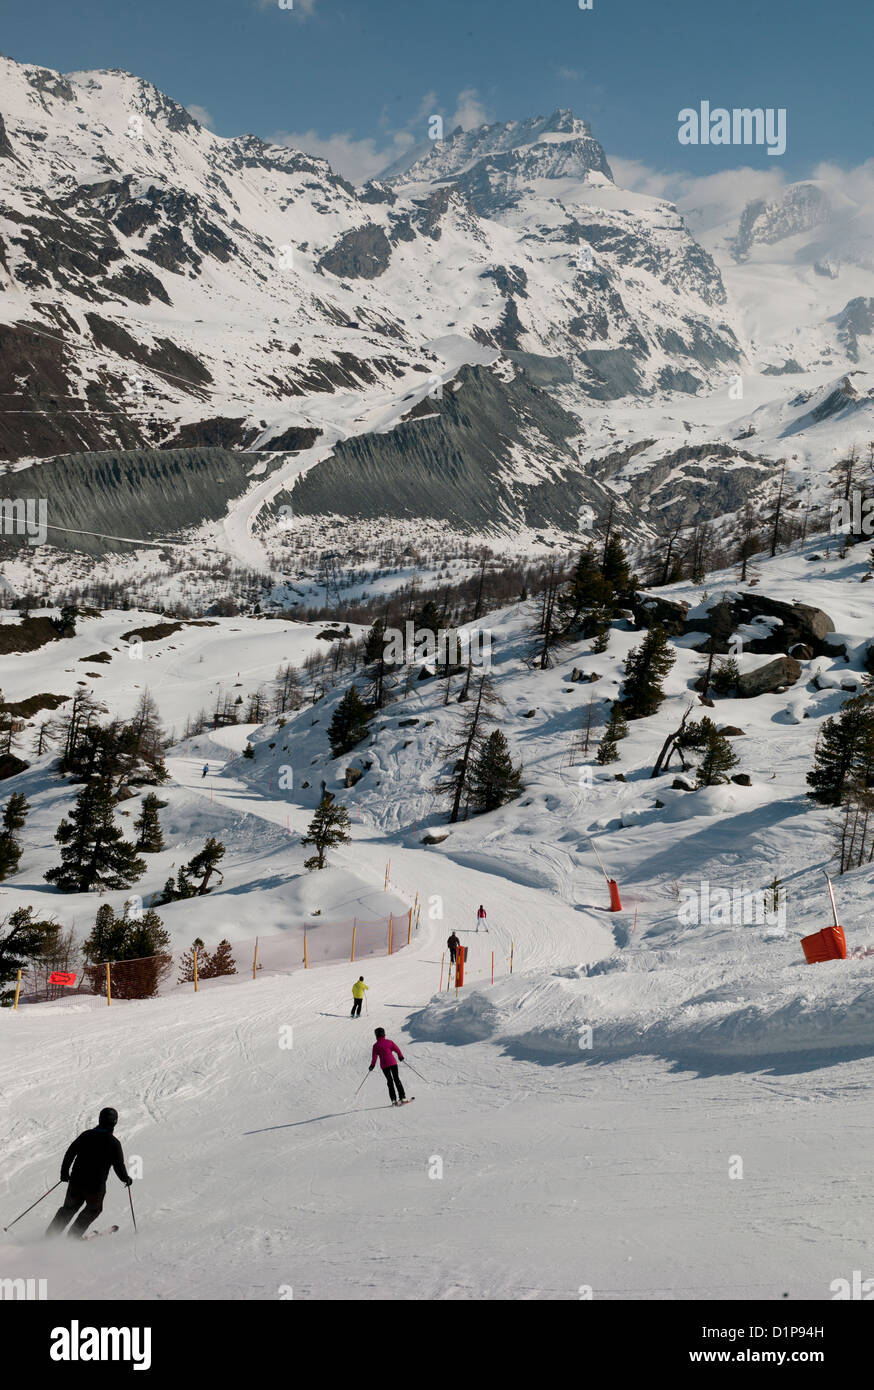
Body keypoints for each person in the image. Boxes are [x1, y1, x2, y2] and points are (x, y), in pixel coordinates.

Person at [46, 1107, 132, 1239]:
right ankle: (73, 1237)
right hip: (95, 1187)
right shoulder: (114, 1143)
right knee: (93, 1209)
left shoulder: (86, 1135)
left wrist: (64, 1172)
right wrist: (125, 1178)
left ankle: (50, 1236)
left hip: (76, 1182)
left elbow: (70, 1153)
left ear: (100, 1119)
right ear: (115, 1122)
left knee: (68, 1209)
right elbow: (118, 1166)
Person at [369, 1027, 406, 1105]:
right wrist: (400, 1056)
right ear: (384, 1034)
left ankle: (393, 1099)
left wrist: (372, 1066)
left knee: (390, 1081)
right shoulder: (389, 1042)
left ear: (376, 1035)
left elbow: (374, 1058)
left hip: (384, 1066)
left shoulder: (375, 1046)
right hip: (393, 1063)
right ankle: (402, 1097)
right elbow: (397, 1049)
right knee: (396, 1079)